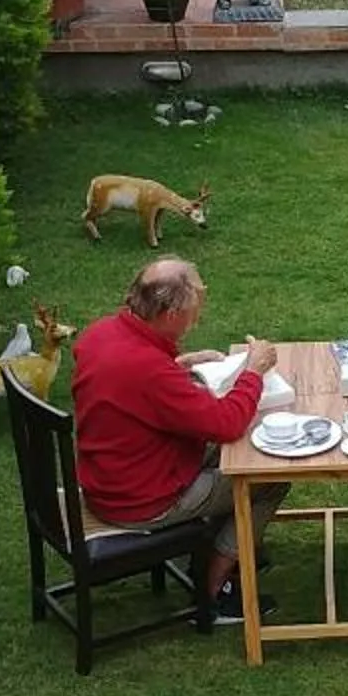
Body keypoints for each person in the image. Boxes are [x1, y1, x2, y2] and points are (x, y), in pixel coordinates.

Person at [70, 258, 280, 617]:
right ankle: (214, 586)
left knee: (238, 447)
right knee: (269, 475)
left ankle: (235, 545)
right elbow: (226, 423)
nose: (195, 321)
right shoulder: (149, 371)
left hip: (109, 475)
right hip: (142, 500)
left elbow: (125, 382)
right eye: (192, 313)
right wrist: (253, 372)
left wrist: (180, 364)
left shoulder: (100, 333)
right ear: (169, 314)